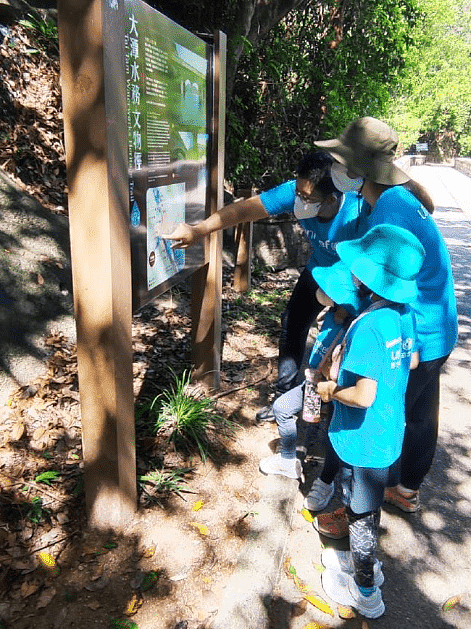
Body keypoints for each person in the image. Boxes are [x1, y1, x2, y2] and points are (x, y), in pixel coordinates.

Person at [312, 117, 457, 531]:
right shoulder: (398, 198)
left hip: (414, 332)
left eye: (341, 160)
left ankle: (358, 511)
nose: (336, 169)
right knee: (420, 414)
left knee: (376, 420)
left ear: (359, 168)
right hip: (434, 329)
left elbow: (372, 280)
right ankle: (405, 489)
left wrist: (335, 303)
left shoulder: (388, 212)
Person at [162, 151, 369, 421]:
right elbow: (244, 209)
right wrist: (199, 230)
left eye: (307, 199)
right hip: (319, 269)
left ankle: (336, 401)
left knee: (341, 339)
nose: (299, 202)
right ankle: (284, 398)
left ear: (332, 198)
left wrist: (343, 308)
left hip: (353, 278)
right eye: (298, 193)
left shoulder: (358, 211)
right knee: (292, 322)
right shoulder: (297, 192)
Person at [314, 223, 424, 618]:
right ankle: (366, 567)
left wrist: (330, 391)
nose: (354, 274)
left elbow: (363, 396)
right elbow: (410, 360)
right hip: (388, 433)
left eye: (359, 268)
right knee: (368, 508)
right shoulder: (403, 315)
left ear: (371, 278)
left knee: (360, 520)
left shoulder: (368, 328)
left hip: (362, 440)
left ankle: (366, 593)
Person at [258, 260, 368, 483]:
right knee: (282, 408)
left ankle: (328, 481)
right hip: (315, 382)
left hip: (337, 387)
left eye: (334, 294)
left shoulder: (356, 328)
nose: (327, 297)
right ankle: (288, 459)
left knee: (334, 434)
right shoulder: (332, 315)